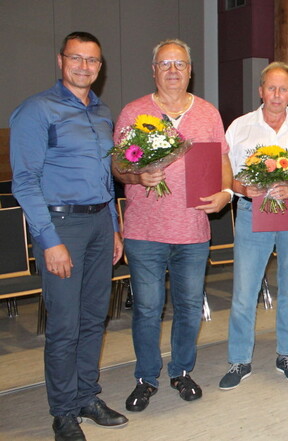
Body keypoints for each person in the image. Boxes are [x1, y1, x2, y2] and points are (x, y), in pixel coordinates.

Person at [10, 31, 128, 441]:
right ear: (61, 61)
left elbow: (106, 179)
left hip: (99, 225)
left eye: (92, 60)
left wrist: (114, 228)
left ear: (100, 67)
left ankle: (86, 397)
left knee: (95, 318)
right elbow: (24, 183)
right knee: (65, 324)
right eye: (76, 58)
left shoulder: (102, 112)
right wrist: (49, 241)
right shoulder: (36, 110)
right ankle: (63, 412)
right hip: (61, 227)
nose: (84, 66)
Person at [112, 39, 233, 411]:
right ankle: (147, 377)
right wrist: (136, 178)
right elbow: (117, 167)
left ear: (190, 70)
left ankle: (181, 370)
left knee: (188, 305)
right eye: (165, 64)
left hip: (193, 231)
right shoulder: (134, 112)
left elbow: (223, 161)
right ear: (154, 70)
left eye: (179, 63)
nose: (173, 70)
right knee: (148, 308)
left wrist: (226, 192)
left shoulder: (208, 114)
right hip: (144, 232)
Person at [220, 62, 288, 388]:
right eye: (271, 87)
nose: (277, 95)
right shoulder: (240, 127)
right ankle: (239, 360)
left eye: (284, 89)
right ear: (260, 90)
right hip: (254, 211)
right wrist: (244, 189)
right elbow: (225, 174)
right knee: (244, 290)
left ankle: (286, 354)